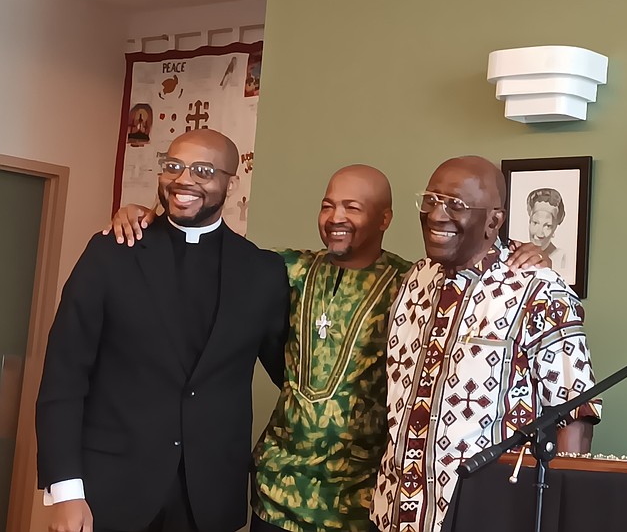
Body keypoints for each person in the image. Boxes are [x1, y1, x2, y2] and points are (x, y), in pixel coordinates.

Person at [106, 166, 552, 532]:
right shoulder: (280, 269)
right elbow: (208, 249)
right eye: (327, 205)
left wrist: (528, 254)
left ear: (385, 219)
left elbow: (474, 263)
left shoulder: (413, 283)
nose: (335, 217)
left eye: (352, 208)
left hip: (359, 504)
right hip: (275, 493)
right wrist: (146, 218)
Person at [37, 129, 290, 532]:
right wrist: (66, 491)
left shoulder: (263, 272)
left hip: (208, 501)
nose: (183, 179)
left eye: (203, 171)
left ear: (232, 181)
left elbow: (291, 373)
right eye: (173, 166)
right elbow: (64, 377)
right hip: (107, 493)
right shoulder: (111, 252)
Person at [371, 156, 602, 532]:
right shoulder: (414, 279)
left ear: (494, 221)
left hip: (489, 514)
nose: (436, 215)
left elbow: (575, 415)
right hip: (395, 512)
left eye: (456, 205)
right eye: (430, 200)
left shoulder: (540, 290)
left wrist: (558, 514)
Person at [526, 187, 571, 281]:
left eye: (547, 226)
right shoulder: (514, 253)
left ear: (555, 228)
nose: (539, 233)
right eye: (535, 222)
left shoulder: (561, 257)